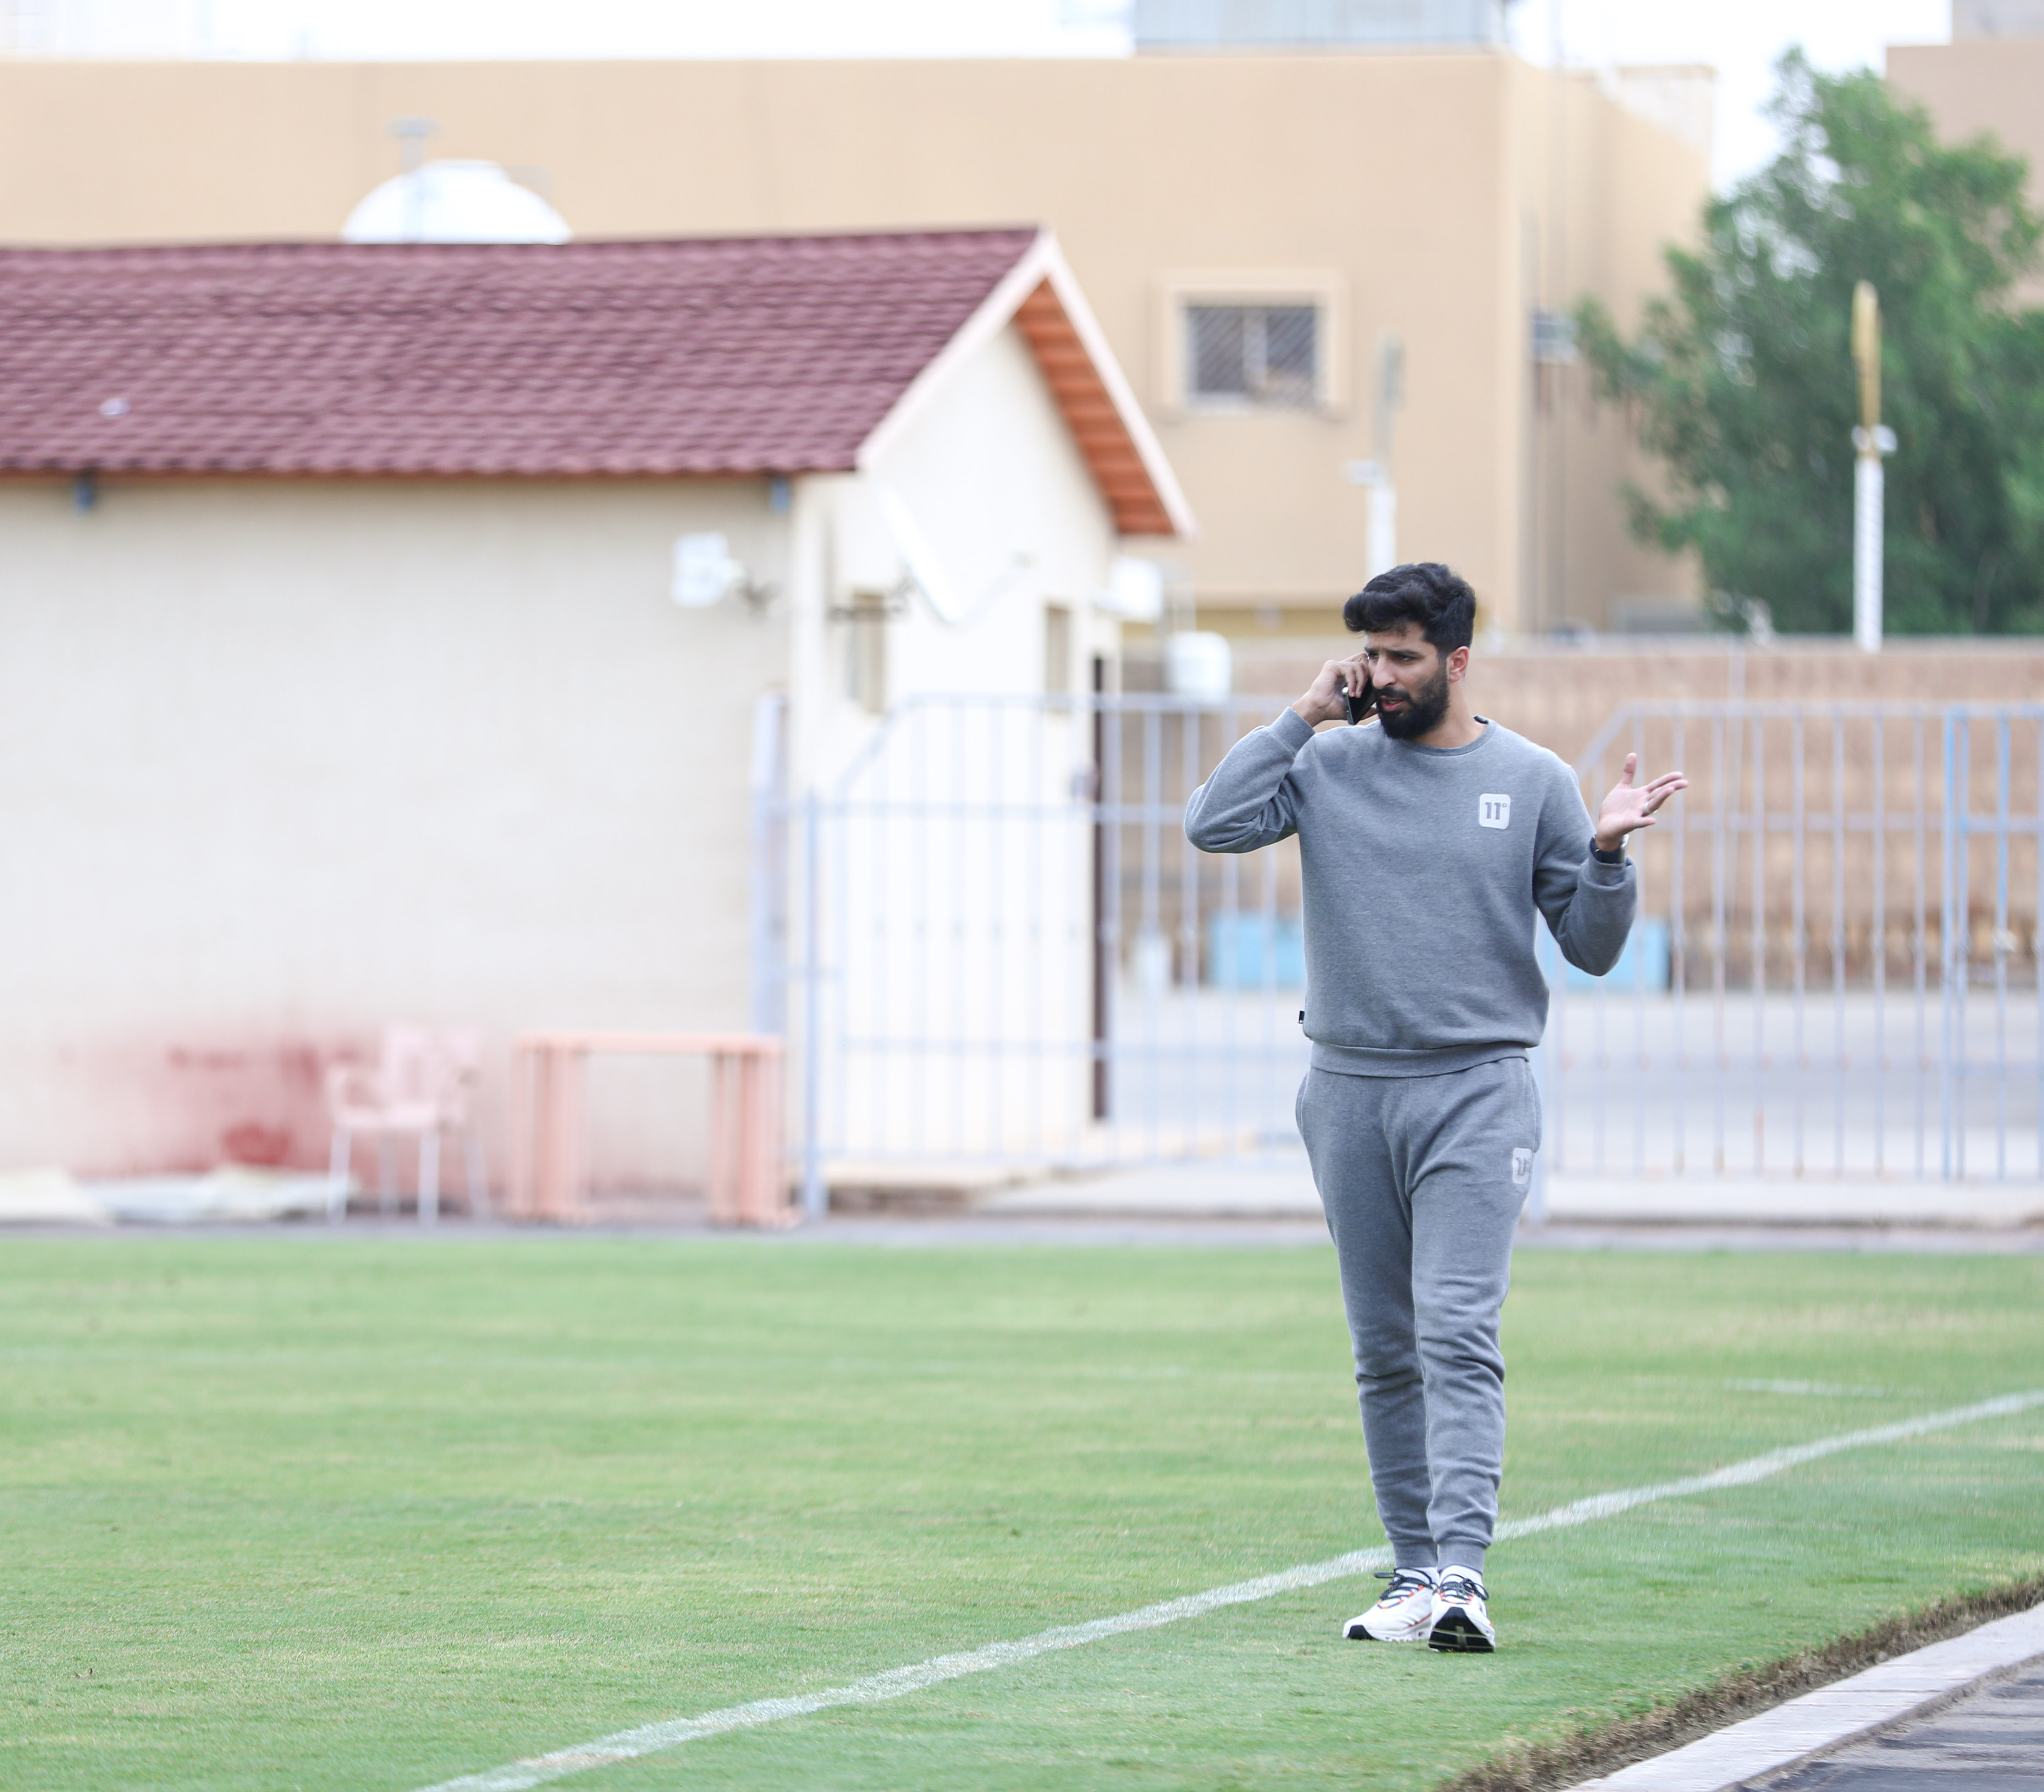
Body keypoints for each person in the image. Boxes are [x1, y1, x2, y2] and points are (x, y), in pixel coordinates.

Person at [1183, 563, 1684, 1653]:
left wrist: (1604, 854)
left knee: (1454, 1328)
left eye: (1404, 656)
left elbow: (1593, 950)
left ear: (1457, 661)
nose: (1382, 675)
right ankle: (1411, 1573)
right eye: (1370, 653)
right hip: (1347, 1093)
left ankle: (1463, 1574)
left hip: (1475, 1093)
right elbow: (1211, 825)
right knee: (1382, 1347)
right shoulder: (1325, 764)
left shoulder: (1536, 778)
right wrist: (1302, 713)